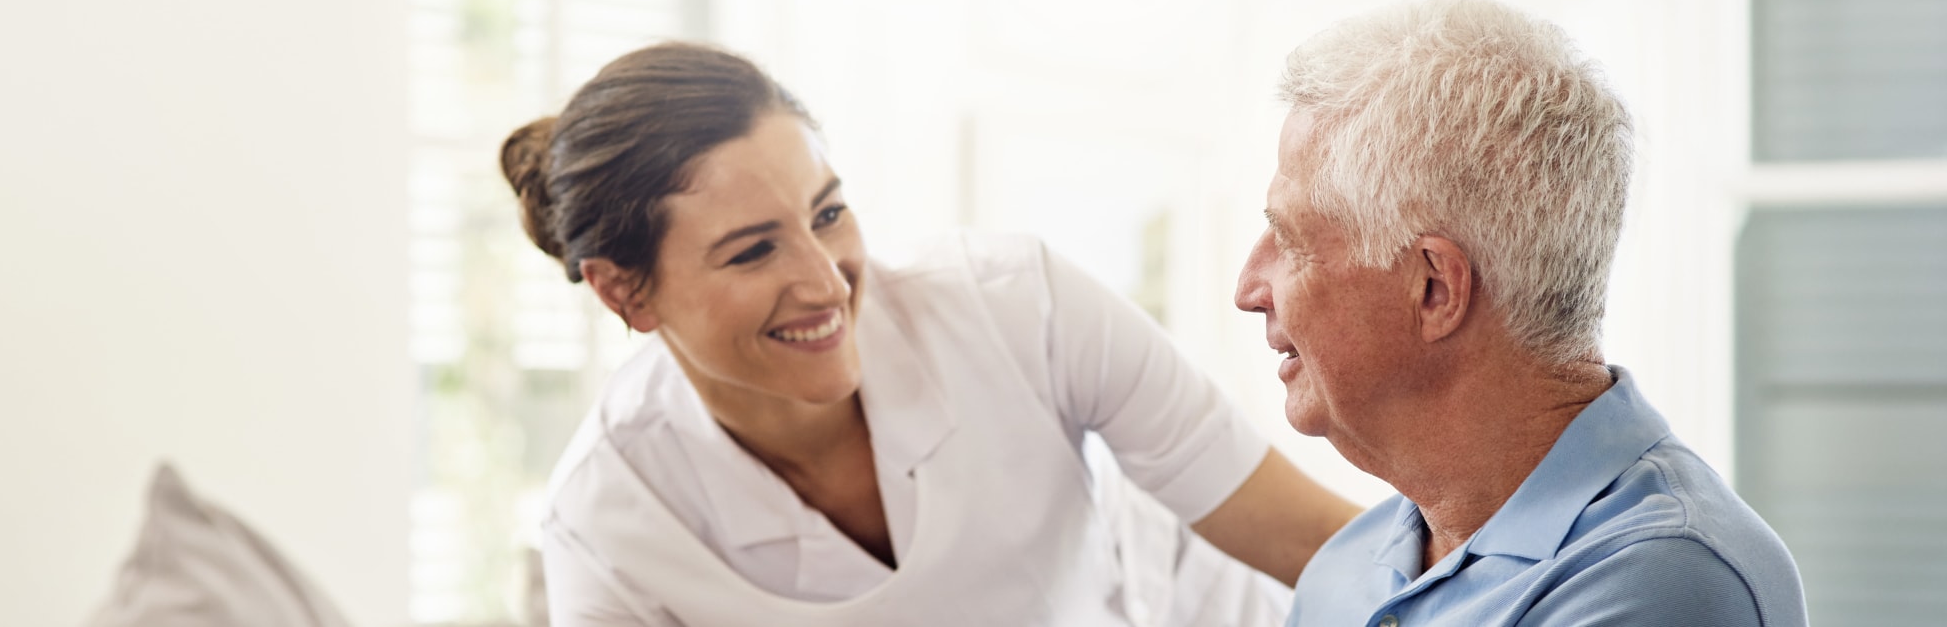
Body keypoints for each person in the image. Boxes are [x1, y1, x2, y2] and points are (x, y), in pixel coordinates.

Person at [501, 42, 1358, 626]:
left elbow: (1320, 545)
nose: (826, 277)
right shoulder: (608, 524)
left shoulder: (1018, 305)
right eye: (753, 250)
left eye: (827, 213)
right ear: (626, 293)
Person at [1234, 0, 1809, 626]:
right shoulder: (1346, 570)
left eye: (1290, 241)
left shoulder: (1662, 582)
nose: (1249, 288)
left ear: (1434, 289)